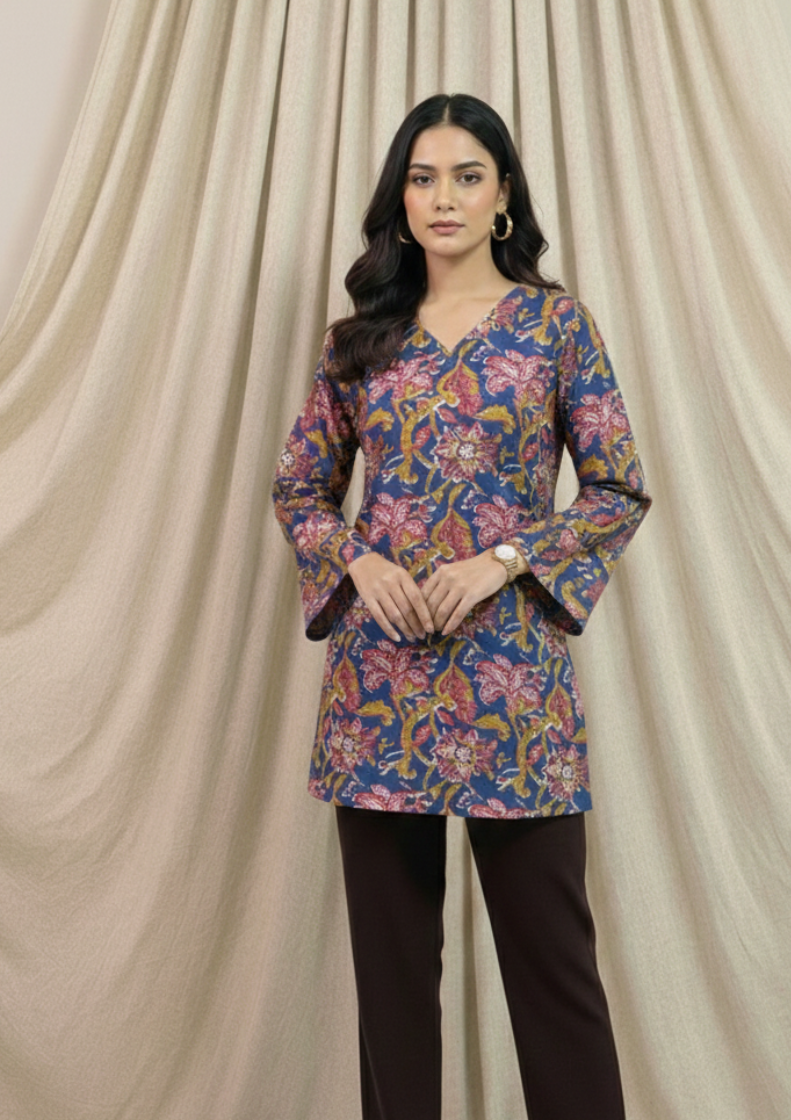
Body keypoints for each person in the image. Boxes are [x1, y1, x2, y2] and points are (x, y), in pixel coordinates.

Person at [273, 92, 651, 1120]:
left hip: (513, 689)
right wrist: (357, 562)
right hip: (376, 696)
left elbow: (616, 487)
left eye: (466, 175)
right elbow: (299, 490)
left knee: (554, 981)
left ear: (501, 198)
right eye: (423, 176)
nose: (443, 196)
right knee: (393, 998)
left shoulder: (553, 324)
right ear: (400, 202)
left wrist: (505, 557)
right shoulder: (359, 341)